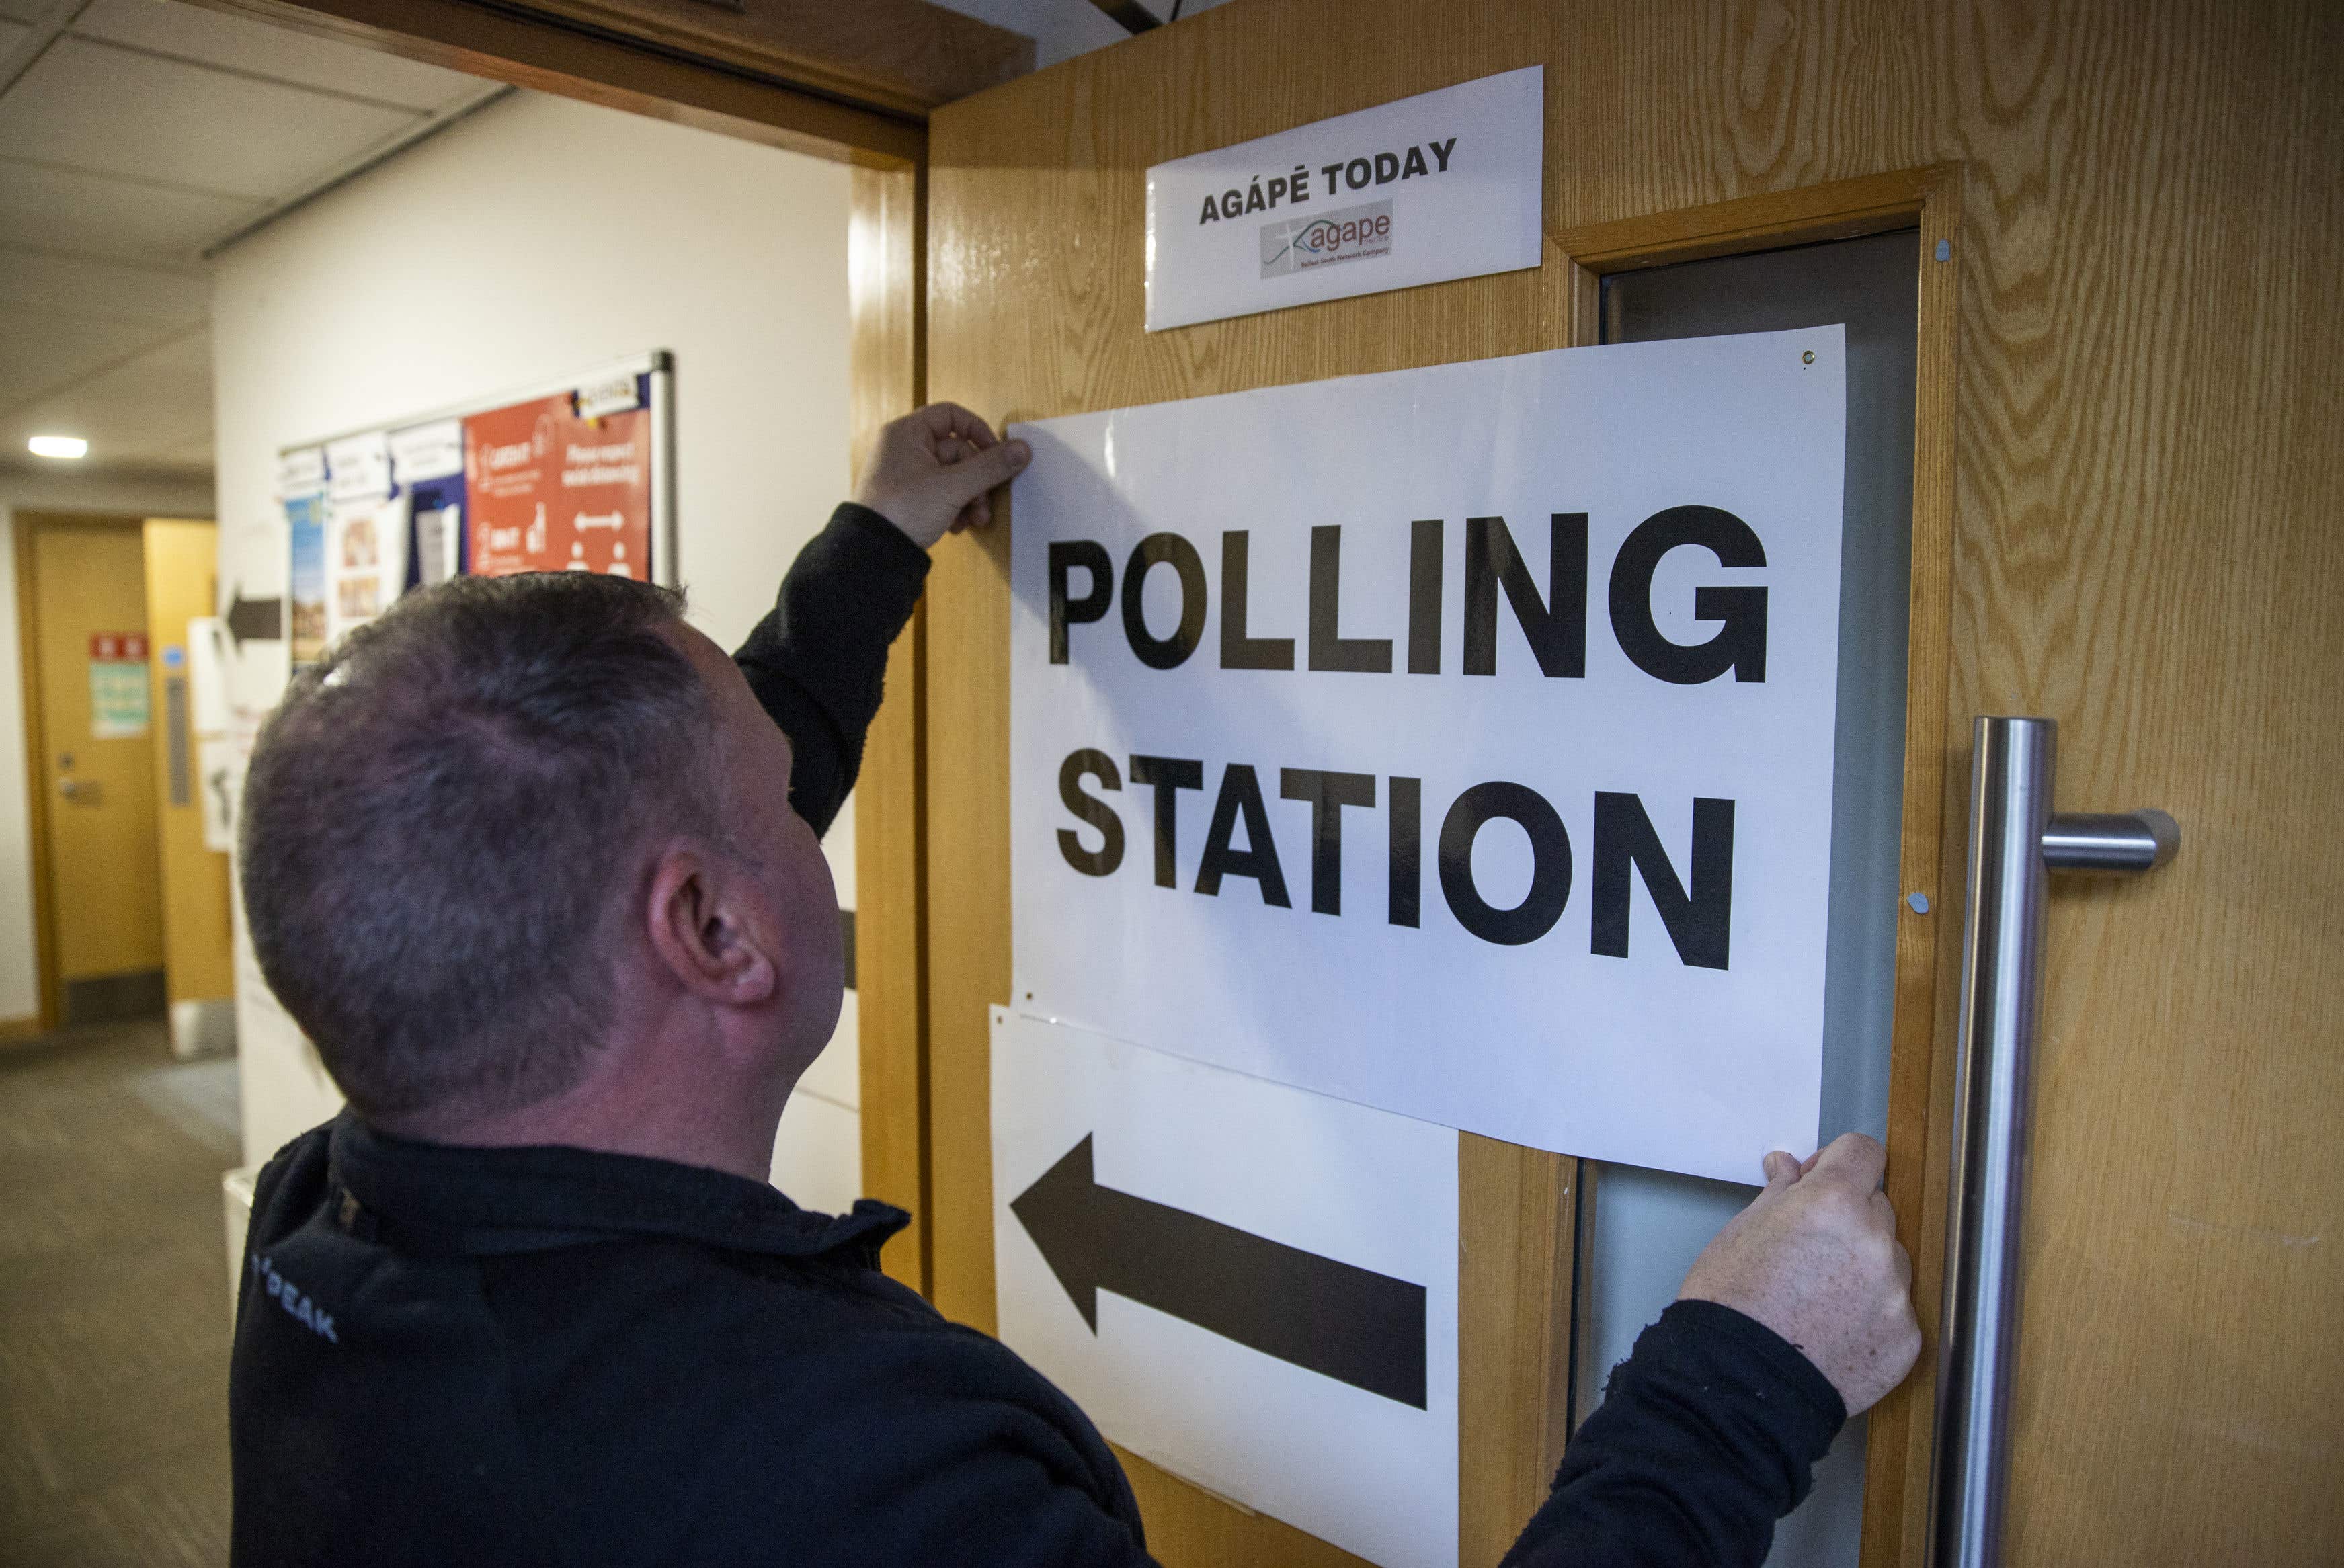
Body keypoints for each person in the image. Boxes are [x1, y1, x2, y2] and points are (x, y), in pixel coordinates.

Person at [229, 403, 1919, 1568]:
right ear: (715, 938)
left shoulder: (335, 1221)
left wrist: (874, 542)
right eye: (775, 811)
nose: (808, 827)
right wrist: (1741, 1376)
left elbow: (694, 812)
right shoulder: (857, 1488)